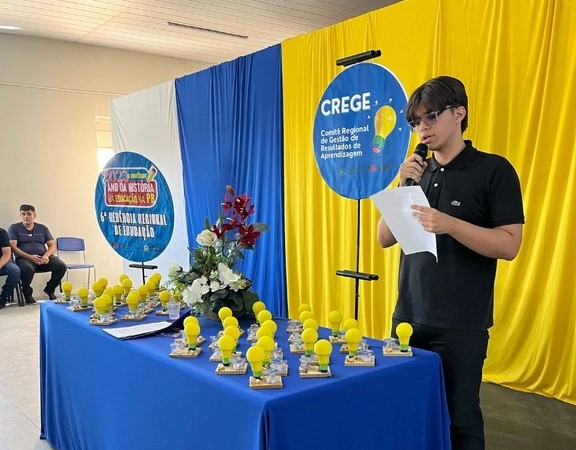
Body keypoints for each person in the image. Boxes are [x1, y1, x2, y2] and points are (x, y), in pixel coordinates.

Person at [376, 76, 524, 450]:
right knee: (407, 410)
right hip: (409, 316)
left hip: (461, 323)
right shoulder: (416, 172)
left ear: (459, 113)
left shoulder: (493, 170)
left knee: (461, 417)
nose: (422, 129)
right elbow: (384, 238)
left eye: (431, 117)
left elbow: (509, 245)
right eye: (416, 122)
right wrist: (402, 185)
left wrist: (451, 224)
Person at [8, 204, 67, 303]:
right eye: (23, 214)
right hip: (24, 259)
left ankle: (50, 289)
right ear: (20, 215)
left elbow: (52, 245)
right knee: (27, 269)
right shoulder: (14, 228)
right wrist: (30, 257)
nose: (26, 216)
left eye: (29, 214)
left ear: (34, 215)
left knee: (61, 266)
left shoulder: (42, 228)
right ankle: (27, 293)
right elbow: (13, 247)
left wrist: (46, 256)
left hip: (43, 258)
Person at [0, 227, 21, 309]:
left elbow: (6, 253)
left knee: (15, 271)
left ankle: (3, 297)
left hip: (2, 262)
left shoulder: (1, 232)